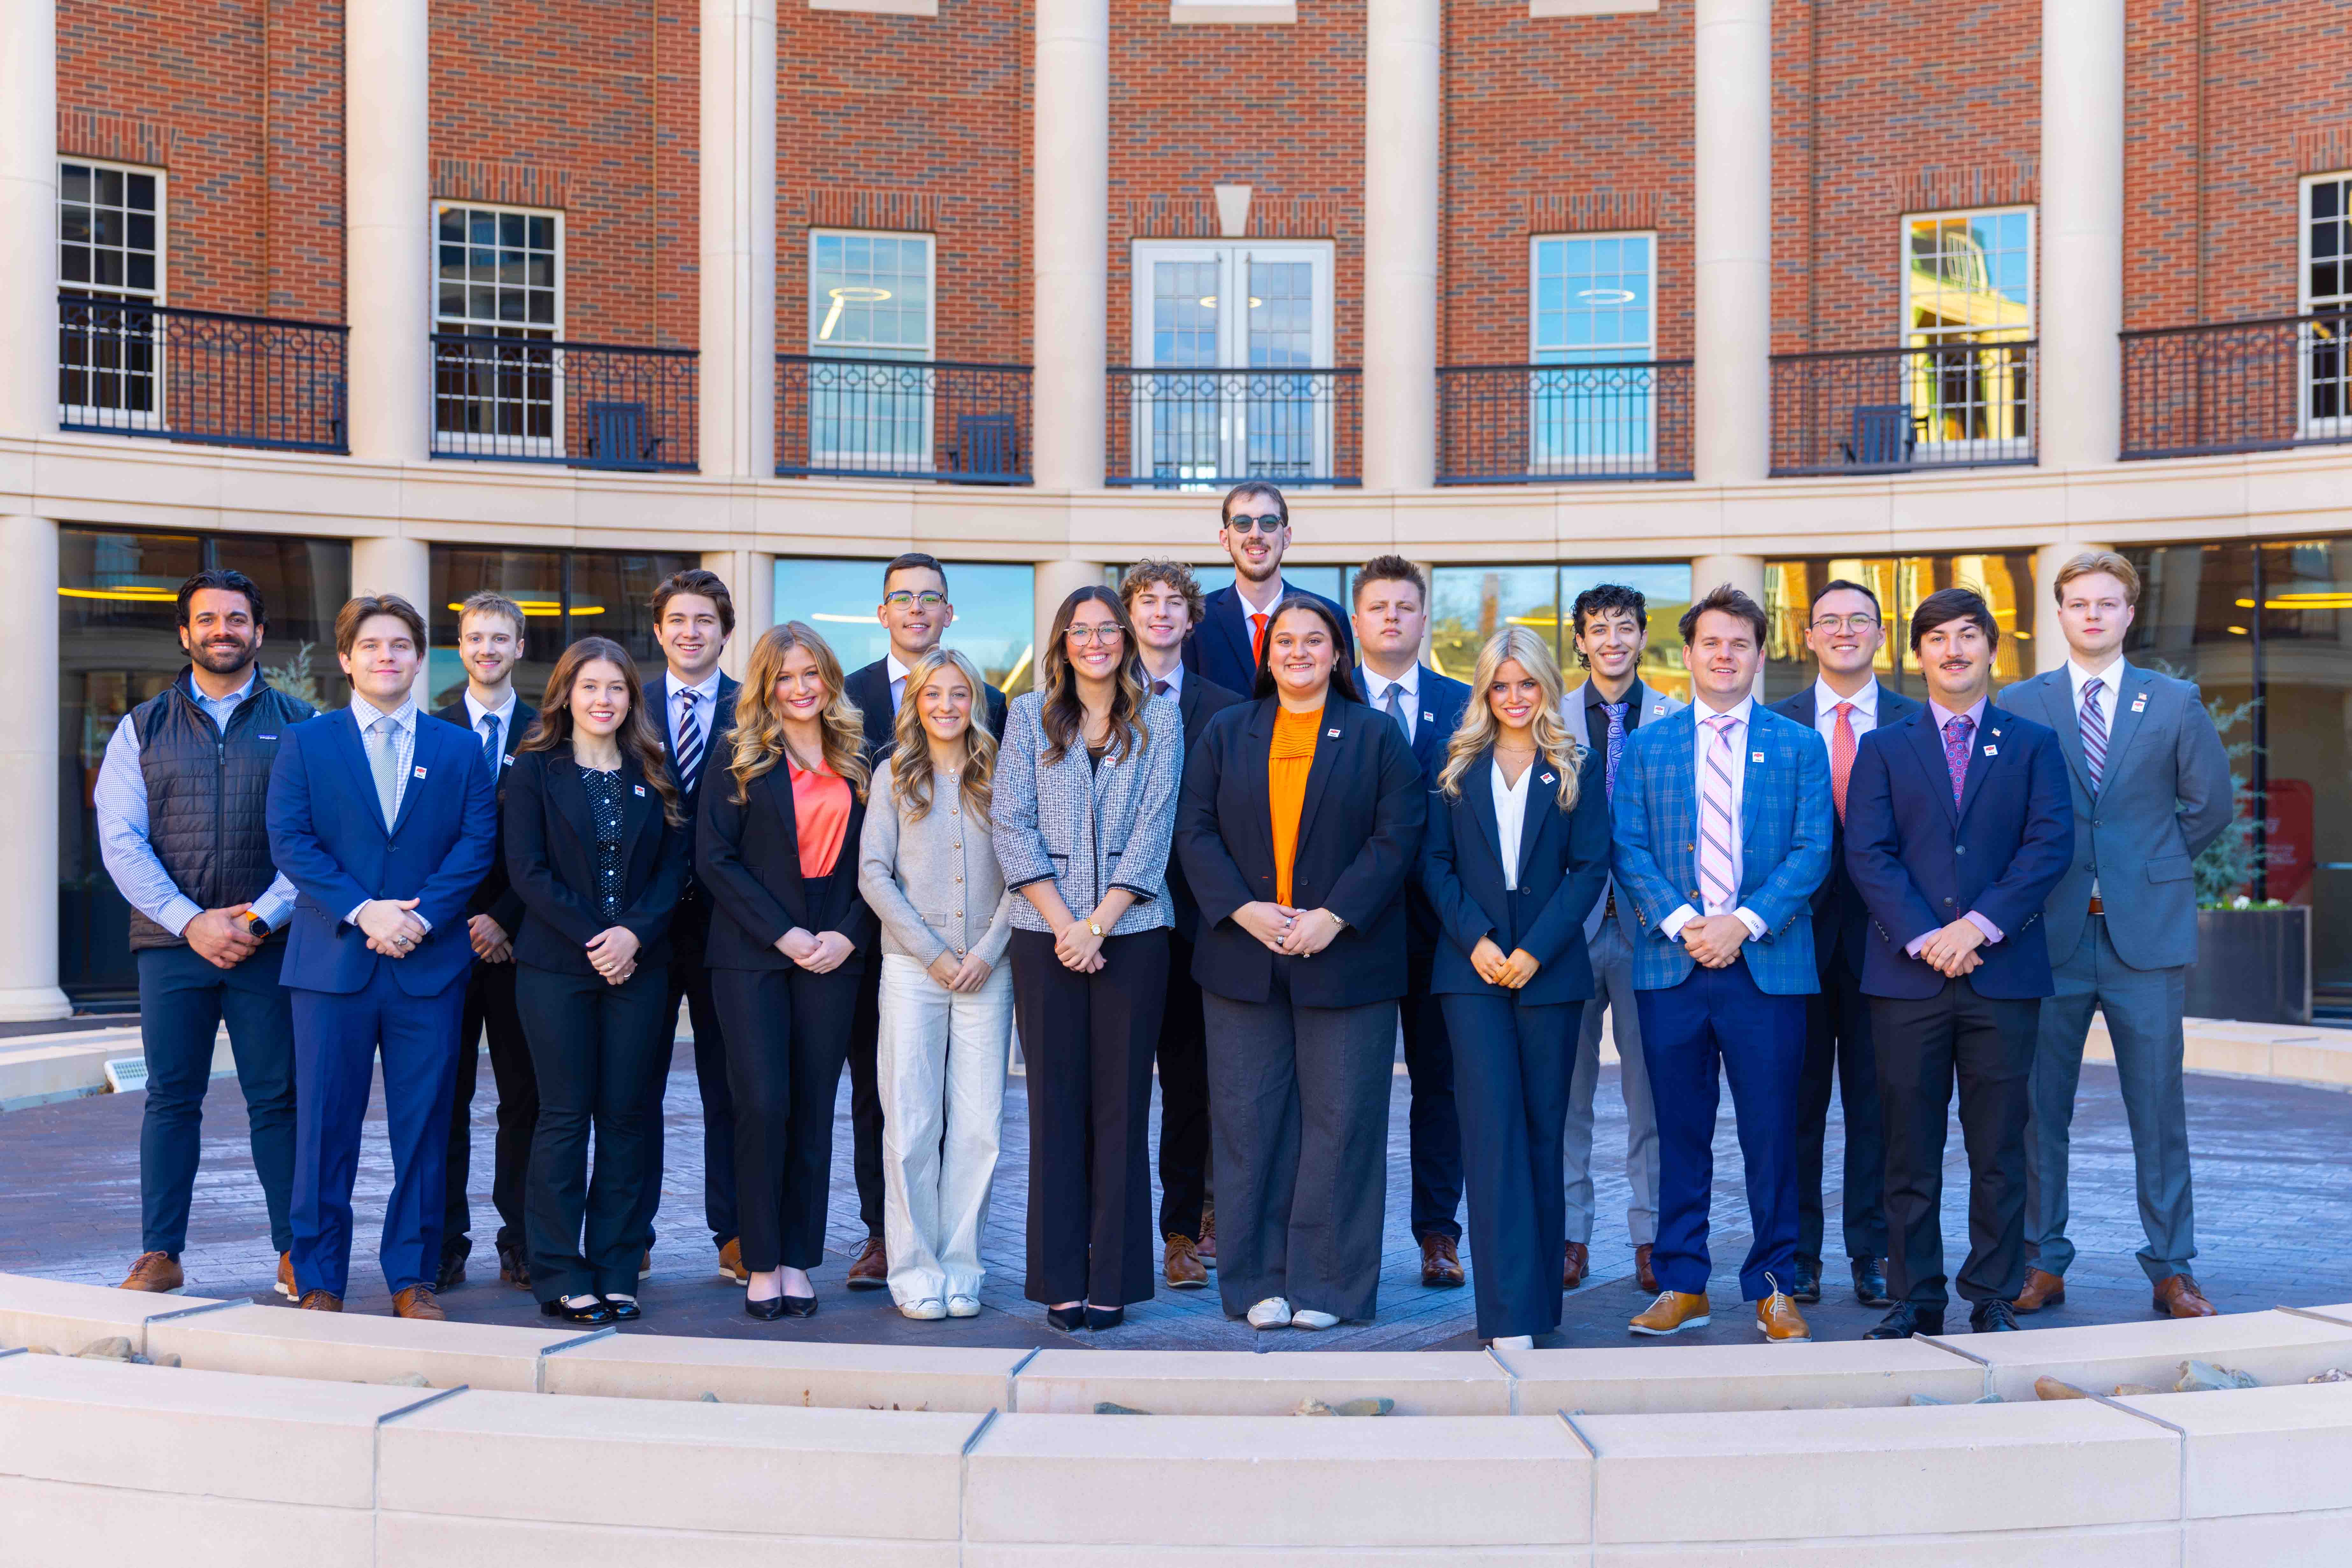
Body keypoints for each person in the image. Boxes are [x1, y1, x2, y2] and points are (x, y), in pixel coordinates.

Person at [1175, 595, 1425, 1332]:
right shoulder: (1228, 731)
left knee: (1342, 1124)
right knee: (1250, 1126)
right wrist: (1244, 910)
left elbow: (1397, 835)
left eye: (1314, 640)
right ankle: (1257, 1281)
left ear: (1338, 654)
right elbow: (1193, 830)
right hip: (1241, 961)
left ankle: (1331, 1287)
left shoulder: (1378, 736)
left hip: (1346, 960)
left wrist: (1334, 915)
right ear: (1266, 654)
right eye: (1284, 640)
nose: (1297, 651)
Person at [2001, 552, 2233, 1320]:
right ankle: (2041, 1261)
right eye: (2078, 603)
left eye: (2108, 603)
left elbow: (2210, 805)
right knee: (2040, 1110)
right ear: (2059, 614)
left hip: (2147, 939)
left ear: (2130, 614)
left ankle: (2172, 1267)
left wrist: (2147, 866)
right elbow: (2008, 816)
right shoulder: (2022, 703)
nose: (2093, 614)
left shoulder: (2174, 701)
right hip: (2051, 936)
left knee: (2158, 1108)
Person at [1844, 588, 2073, 1339]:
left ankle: (1994, 1293)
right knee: (1906, 1145)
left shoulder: (2033, 744)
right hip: (1906, 977)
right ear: (1917, 654)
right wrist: (1925, 936)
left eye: (1967, 636)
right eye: (1937, 638)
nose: (1953, 650)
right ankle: (1916, 1295)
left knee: (2000, 1147)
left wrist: (1975, 927)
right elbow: (1867, 853)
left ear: (1991, 649)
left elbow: (2048, 848)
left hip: (2001, 976)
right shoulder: (1884, 746)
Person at [1609, 585, 1831, 1341]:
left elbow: (1813, 850)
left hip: (1765, 966)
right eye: (1711, 642)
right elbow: (1629, 848)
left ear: (1761, 654)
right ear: (1689, 653)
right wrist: (1685, 925)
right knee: (1678, 1130)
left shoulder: (1800, 746)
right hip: (1672, 967)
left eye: (1740, 643)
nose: (1725, 655)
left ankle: (1774, 1286)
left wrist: (1740, 923)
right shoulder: (1647, 746)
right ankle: (1682, 1283)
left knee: (1773, 1133)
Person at [266, 593, 497, 1317]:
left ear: (420, 659)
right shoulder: (308, 741)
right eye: (371, 646)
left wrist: (420, 918)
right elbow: (293, 841)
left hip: (427, 968)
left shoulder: (458, 748)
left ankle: (412, 1277)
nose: (387, 657)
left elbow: (475, 843)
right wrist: (366, 910)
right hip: (332, 964)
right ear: (346, 659)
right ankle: (321, 1278)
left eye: (400, 645)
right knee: (323, 1126)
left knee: (424, 1127)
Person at [98, 568, 314, 1300]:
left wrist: (255, 919)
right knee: (171, 1098)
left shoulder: (302, 723)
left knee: (278, 1099)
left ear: (258, 631)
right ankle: (161, 1252)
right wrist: (191, 921)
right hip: (171, 945)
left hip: (270, 944)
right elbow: (122, 840)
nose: (223, 630)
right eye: (208, 619)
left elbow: (315, 841)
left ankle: (294, 1251)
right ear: (185, 632)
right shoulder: (141, 726)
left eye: (237, 619)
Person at [993, 585, 1183, 1332]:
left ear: (1127, 640)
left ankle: (1115, 1279)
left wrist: (1099, 923)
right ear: (1062, 643)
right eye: (1082, 631)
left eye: (1108, 629)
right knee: (1055, 1110)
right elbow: (1011, 822)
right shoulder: (1026, 716)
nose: (1096, 641)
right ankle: (1059, 1279)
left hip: (1132, 936)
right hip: (1044, 937)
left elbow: (1155, 825)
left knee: (1121, 1109)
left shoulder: (1160, 720)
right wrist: (1065, 923)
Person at [1420, 628, 1608, 1347]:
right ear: (1484, 693)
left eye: (1526, 683)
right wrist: (1480, 942)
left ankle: (1541, 1307)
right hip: (1470, 973)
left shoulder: (1575, 765)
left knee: (1539, 1135)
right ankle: (1504, 1316)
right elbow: (1433, 864)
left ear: (1545, 688)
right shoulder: (1454, 766)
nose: (1514, 697)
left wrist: (1532, 948)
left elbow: (1589, 869)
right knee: (1492, 1135)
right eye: (1501, 685)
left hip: (1550, 971)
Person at [504, 638, 688, 1325]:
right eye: (590, 687)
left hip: (640, 969)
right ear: (566, 695)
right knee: (562, 1115)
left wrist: (633, 935)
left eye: (616, 688)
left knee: (626, 1118)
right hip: (557, 968)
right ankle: (557, 1269)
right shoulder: (534, 771)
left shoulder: (655, 769)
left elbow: (675, 868)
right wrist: (597, 937)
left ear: (630, 700)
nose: (604, 699)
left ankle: (616, 1266)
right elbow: (526, 871)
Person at [840, 552, 1010, 1291]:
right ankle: (912, 1267)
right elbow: (872, 872)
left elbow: (1026, 873)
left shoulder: (1004, 770)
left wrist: (986, 950)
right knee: (910, 1125)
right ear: (917, 702)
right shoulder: (891, 773)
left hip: (988, 972)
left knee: (977, 1129)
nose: (946, 702)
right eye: (933, 692)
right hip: (913, 972)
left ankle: (962, 1264)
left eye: (958, 691)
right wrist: (934, 952)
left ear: (975, 700)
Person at [698, 623, 875, 1320]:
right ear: (766, 686)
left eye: (812, 674)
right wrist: (786, 932)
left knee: (811, 1109)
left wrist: (847, 936)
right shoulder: (736, 756)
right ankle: (760, 1259)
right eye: (785, 676)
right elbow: (715, 858)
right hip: (751, 955)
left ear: (829, 680)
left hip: (835, 957)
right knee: (763, 1104)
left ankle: (798, 1259)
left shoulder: (861, 758)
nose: (800, 688)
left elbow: (878, 864)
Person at [1765, 579, 1919, 1311]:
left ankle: (1873, 1253)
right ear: (1808, 633)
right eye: (1830, 619)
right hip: (1793, 944)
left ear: (1881, 634)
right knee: (1796, 1106)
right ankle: (1798, 1256)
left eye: (1860, 619)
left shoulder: (1916, 722)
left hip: (1890, 946)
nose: (1845, 630)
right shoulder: (1775, 722)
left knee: (1878, 1108)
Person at [1353, 555, 1474, 1289]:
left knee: (1441, 1088)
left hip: (1441, 933)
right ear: (1357, 622)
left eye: (1405, 606)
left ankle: (1438, 1234)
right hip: (1353, 934)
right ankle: (1352, 1238)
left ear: (1424, 620)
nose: (1393, 617)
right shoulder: (1323, 700)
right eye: (1379, 607)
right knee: (1352, 1091)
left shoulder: (1466, 705)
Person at [1122, 559, 1243, 1289]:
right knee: (1121, 1087)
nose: (1161, 613)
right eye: (1147, 601)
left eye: (1174, 603)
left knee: (1195, 1087)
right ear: (1129, 615)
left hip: (1200, 927)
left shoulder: (1224, 707)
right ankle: (1115, 1228)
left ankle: (1182, 1229)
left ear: (1192, 622)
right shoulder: (1099, 698)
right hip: (1122, 924)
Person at [1560, 583, 1681, 1295]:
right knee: (1565, 1098)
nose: (1612, 639)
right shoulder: (1550, 715)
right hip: (1570, 936)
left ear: (1642, 636)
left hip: (1649, 935)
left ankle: (1651, 1236)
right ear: (1580, 640)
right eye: (1598, 628)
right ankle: (1570, 1235)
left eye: (1625, 627)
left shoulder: (1673, 719)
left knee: (1652, 1099)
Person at [634, 568, 742, 1284]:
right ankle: (629, 1230)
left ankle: (734, 1231)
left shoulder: (754, 707)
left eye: (704, 619)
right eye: (678, 619)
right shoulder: (626, 702)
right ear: (659, 629)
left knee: (728, 1084)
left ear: (725, 632)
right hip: (643, 926)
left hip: (730, 929)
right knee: (634, 1083)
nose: (690, 631)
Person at [433, 590, 539, 1293]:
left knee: (525, 1099)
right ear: (461, 645)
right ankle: (443, 1242)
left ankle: (521, 1239)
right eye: (476, 637)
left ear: (520, 648)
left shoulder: (548, 730)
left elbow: (553, 845)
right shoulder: (430, 727)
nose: (488, 649)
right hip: (446, 941)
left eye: (501, 638)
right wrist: (469, 919)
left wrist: (502, 917)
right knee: (444, 1097)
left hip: (525, 940)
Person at [1180, 480, 1356, 695]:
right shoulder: (1197, 620)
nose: (1256, 534)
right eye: (1243, 523)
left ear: (1287, 536)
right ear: (1225, 539)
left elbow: (1345, 707)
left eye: (1269, 522)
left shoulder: (1331, 617)